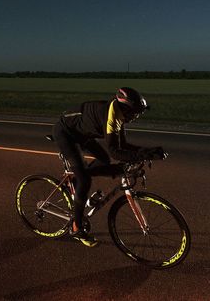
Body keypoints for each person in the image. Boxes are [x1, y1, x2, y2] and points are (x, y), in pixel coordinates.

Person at [52, 87, 164, 247]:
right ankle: (76, 228)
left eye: (139, 113)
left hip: (83, 135)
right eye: (135, 112)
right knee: (85, 181)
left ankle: (80, 177)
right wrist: (142, 155)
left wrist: (146, 151)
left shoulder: (119, 114)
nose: (136, 116)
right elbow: (116, 152)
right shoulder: (111, 115)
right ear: (125, 107)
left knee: (103, 160)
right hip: (66, 133)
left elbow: (122, 145)